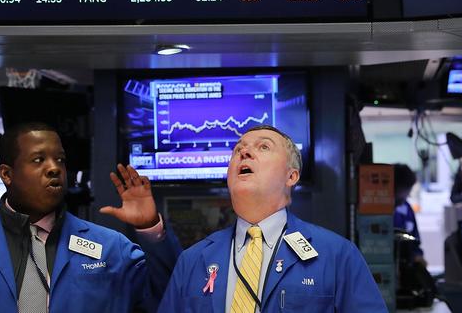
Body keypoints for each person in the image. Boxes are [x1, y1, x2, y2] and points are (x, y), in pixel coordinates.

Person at [0, 110, 182, 312]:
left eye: (60, 160)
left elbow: (173, 297)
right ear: (7, 175)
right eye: (38, 160)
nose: (54, 168)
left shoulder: (111, 249)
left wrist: (149, 228)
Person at [158, 125, 387, 312]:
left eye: (263, 147)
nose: (244, 153)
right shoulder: (193, 260)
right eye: (238, 150)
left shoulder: (337, 256)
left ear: (291, 176)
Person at [393, 163, 426, 264]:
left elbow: (415, 241)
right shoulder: (381, 211)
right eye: (406, 189)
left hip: (409, 264)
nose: (408, 194)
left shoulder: (407, 209)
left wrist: (418, 256)